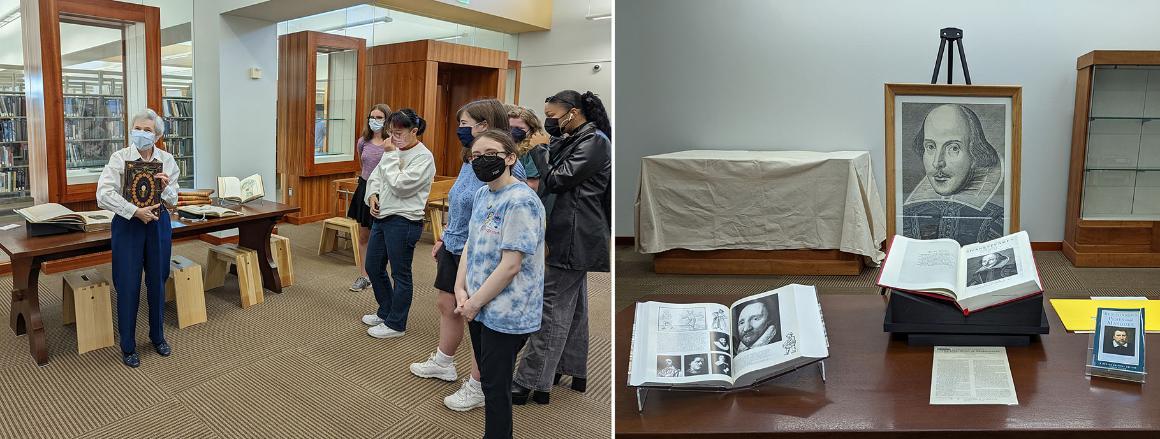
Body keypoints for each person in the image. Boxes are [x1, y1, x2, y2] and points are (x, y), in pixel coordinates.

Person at [409, 99, 527, 412]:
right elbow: (460, 201)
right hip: (455, 245)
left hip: (485, 255)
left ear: (486, 124)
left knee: (480, 321)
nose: (461, 130)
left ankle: (478, 385)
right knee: (447, 304)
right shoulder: (470, 158)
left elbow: (508, 218)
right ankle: (444, 362)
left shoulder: (505, 163)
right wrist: (445, 235)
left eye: (466, 124)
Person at [512, 90, 611, 405]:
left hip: (574, 234)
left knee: (551, 307)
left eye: (553, 116)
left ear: (574, 112)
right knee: (574, 305)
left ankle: (532, 381)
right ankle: (570, 368)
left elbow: (555, 180)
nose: (548, 122)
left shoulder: (593, 141)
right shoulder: (573, 138)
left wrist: (541, 151)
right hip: (568, 230)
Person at [454, 129, 546, 439]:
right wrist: (460, 287)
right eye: (476, 156)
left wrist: (474, 302)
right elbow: (471, 242)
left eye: (491, 154)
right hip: (477, 303)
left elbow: (511, 266)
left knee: (495, 387)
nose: (482, 161)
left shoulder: (521, 201)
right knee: (489, 380)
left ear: (510, 158)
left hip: (506, 311)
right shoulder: (484, 193)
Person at [96, 109, 179, 368]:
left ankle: (158, 336)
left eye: (148, 130)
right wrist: (134, 211)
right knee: (128, 284)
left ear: (157, 135)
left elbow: (175, 200)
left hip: (158, 223)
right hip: (128, 224)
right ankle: (128, 345)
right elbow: (103, 194)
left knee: (157, 280)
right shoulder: (119, 158)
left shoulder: (167, 159)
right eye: (138, 128)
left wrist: (165, 189)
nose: (142, 133)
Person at [360, 108, 436, 339]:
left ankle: (396, 324)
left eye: (399, 133)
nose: (393, 138)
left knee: (401, 274)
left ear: (414, 131)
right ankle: (386, 311)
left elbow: (400, 185)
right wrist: (372, 195)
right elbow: (376, 178)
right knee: (373, 267)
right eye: (391, 132)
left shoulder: (423, 157)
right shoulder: (392, 150)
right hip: (382, 218)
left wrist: (391, 154)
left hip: (404, 221)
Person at [902, 104, 1005, 246]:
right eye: (930, 146)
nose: (937, 162)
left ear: (975, 154)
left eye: (954, 148)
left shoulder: (997, 219)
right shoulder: (905, 216)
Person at [347, 104, 392, 292]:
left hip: (385, 192)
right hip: (365, 188)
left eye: (379, 117)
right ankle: (364, 276)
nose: (375, 120)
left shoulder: (392, 142)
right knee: (363, 235)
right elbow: (362, 163)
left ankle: (378, 274)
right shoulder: (362, 141)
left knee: (381, 237)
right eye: (372, 117)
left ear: (387, 119)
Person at [506, 104, 550, 193]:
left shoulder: (532, 149)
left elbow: (532, 186)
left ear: (532, 129)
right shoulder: (508, 146)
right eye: (510, 128)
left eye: (519, 128)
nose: (513, 131)